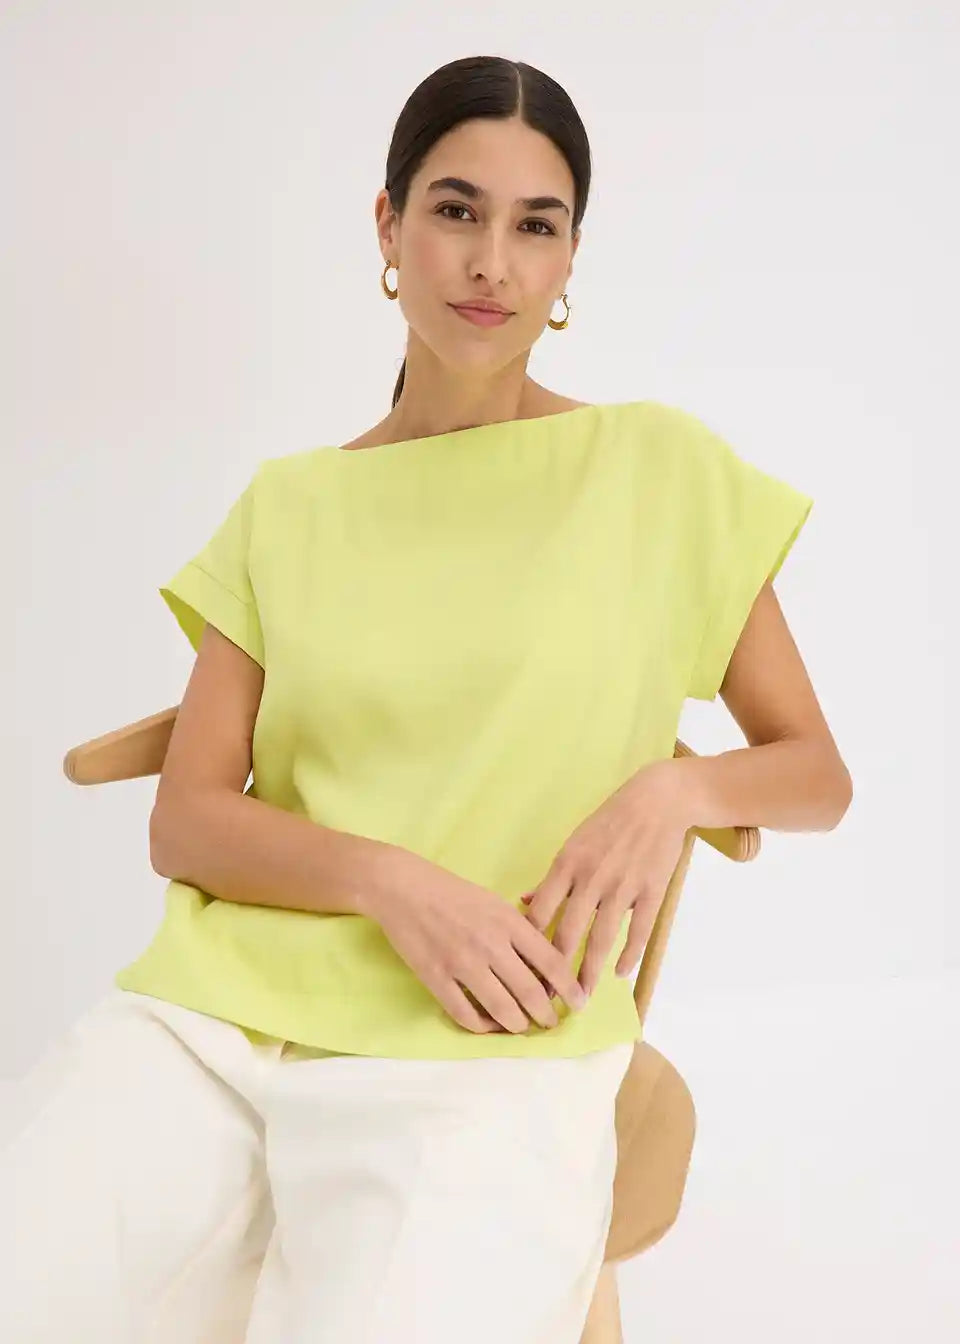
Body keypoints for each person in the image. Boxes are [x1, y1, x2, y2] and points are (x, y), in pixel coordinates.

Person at [1, 52, 852, 1344]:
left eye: (536, 226)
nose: (491, 263)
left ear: (570, 261)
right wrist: (392, 884)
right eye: (456, 210)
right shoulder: (291, 503)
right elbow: (187, 821)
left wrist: (674, 790)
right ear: (388, 226)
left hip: (493, 1036)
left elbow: (816, 775)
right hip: (217, 1021)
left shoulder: (656, 469)